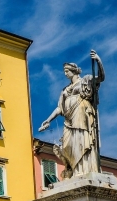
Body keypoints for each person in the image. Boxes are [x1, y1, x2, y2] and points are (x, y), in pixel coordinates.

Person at [39, 50, 105, 179]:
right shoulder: (65, 89)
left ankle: (85, 169)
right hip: (69, 119)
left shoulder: (86, 80)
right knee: (68, 145)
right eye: (64, 71)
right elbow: (59, 108)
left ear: (74, 70)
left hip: (82, 114)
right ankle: (74, 170)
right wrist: (48, 120)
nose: (65, 73)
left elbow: (101, 77)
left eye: (67, 71)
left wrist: (98, 60)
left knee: (82, 140)